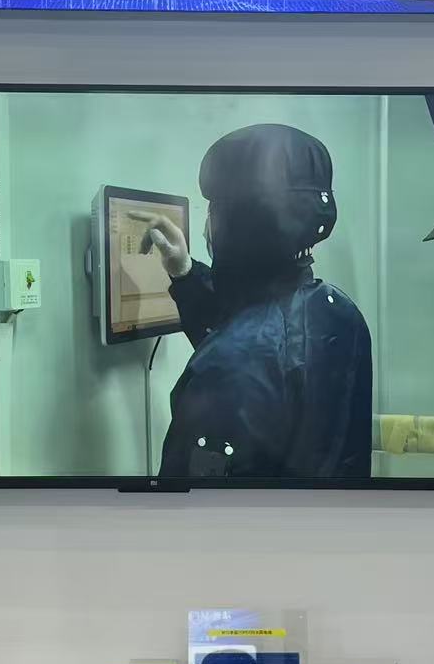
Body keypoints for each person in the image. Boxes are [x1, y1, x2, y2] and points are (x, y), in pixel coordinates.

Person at [133, 123, 373, 483]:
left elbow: (185, 508)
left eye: (213, 212)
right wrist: (184, 273)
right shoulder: (339, 311)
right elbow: (256, 340)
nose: (205, 229)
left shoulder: (227, 366)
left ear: (236, 225)